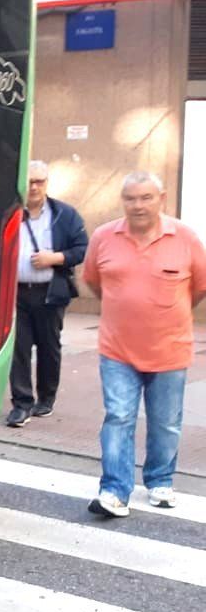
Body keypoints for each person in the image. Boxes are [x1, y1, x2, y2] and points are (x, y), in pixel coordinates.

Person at [82, 172, 206, 518]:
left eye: (146, 198)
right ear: (123, 200)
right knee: (119, 416)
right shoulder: (104, 236)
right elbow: (93, 281)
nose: (138, 205)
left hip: (170, 349)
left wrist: (168, 313)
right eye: (131, 198)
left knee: (165, 421)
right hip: (117, 349)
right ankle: (114, 491)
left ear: (161, 198)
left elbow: (199, 287)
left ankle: (160, 481)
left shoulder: (185, 238)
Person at [6, 161, 88, 427]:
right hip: (16, 293)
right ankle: (21, 404)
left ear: (46, 184)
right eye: (29, 181)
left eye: (39, 181)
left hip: (50, 293)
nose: (33, 187)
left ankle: (46, 399)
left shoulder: (64, 214)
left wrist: (56, 257)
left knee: (48, 348)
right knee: (18, 348)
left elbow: (82, 248)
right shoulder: (9, 212)